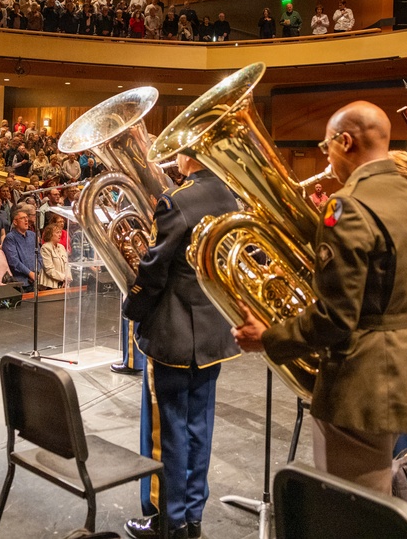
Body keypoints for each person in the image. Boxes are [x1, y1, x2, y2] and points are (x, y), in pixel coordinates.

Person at [233, 101, 407, 495]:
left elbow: (336, 316)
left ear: (345, 142)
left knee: (352, 504)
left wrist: (270, 337)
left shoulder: (348, 206)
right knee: (375, 494)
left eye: (326, 145)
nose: (326, 155)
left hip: (361, 380)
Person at [122, 154, 240, 539]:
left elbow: (155, 269)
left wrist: (133, 306)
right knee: (198, 428)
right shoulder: (229, 195)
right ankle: (191, 518)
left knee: (165, 433)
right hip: (212, 333)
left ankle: (165, 521)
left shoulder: (177, 200)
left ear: (190, 155)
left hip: (172, 334)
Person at [3, 206, 39, 292]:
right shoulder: (10, 238)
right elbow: (13, 261)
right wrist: (29, 273)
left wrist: (37, 271)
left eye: (27, 217)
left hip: (35, 280)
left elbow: (39, 255)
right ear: (15, 222)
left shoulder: (32, 235)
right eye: (22, 218)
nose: (26, 220)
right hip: (21, 283)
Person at [38, 225, 69, 290]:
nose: (60, 235)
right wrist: (64, 277)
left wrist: (68, 279)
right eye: (57, 232)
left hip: (64, 284)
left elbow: (67, 265)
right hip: (50, 286)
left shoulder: (62, 247)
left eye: (60, 232)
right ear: (50, 235)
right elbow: (49, 269)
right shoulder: (45, 248)